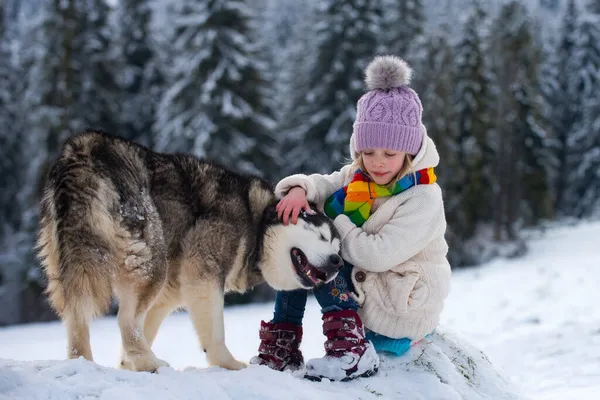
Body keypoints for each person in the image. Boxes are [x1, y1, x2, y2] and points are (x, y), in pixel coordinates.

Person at [250, 55, 452, 382]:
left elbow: (375, 254)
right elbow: (328, 183)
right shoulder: (360, 176)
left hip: (397, 310)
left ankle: (351, 353)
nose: (377, 163)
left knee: (319, 248)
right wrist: (302, 189)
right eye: (368, 152)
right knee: (297, 250)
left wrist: (333, 223)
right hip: (369, 297)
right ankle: (282, 347)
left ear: (410, 152)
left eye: (390, 154)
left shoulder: (422, 198)